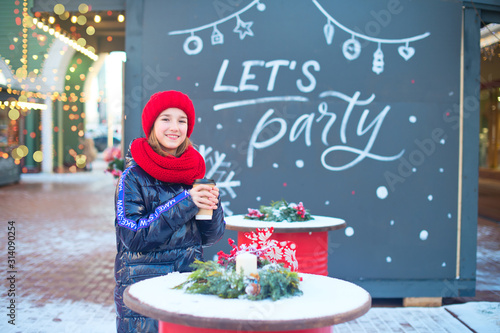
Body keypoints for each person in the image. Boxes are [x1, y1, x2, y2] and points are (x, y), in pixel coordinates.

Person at [113, 90, 225, 332]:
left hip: (189, 286)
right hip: (145, 294)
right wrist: (186, 202)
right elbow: (133, 237)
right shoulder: (131, 177)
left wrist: (212, 208)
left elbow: (210, 237)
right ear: (152, 125)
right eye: (166, 119)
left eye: (181, 120)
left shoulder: (194, 175)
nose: (174, 127)